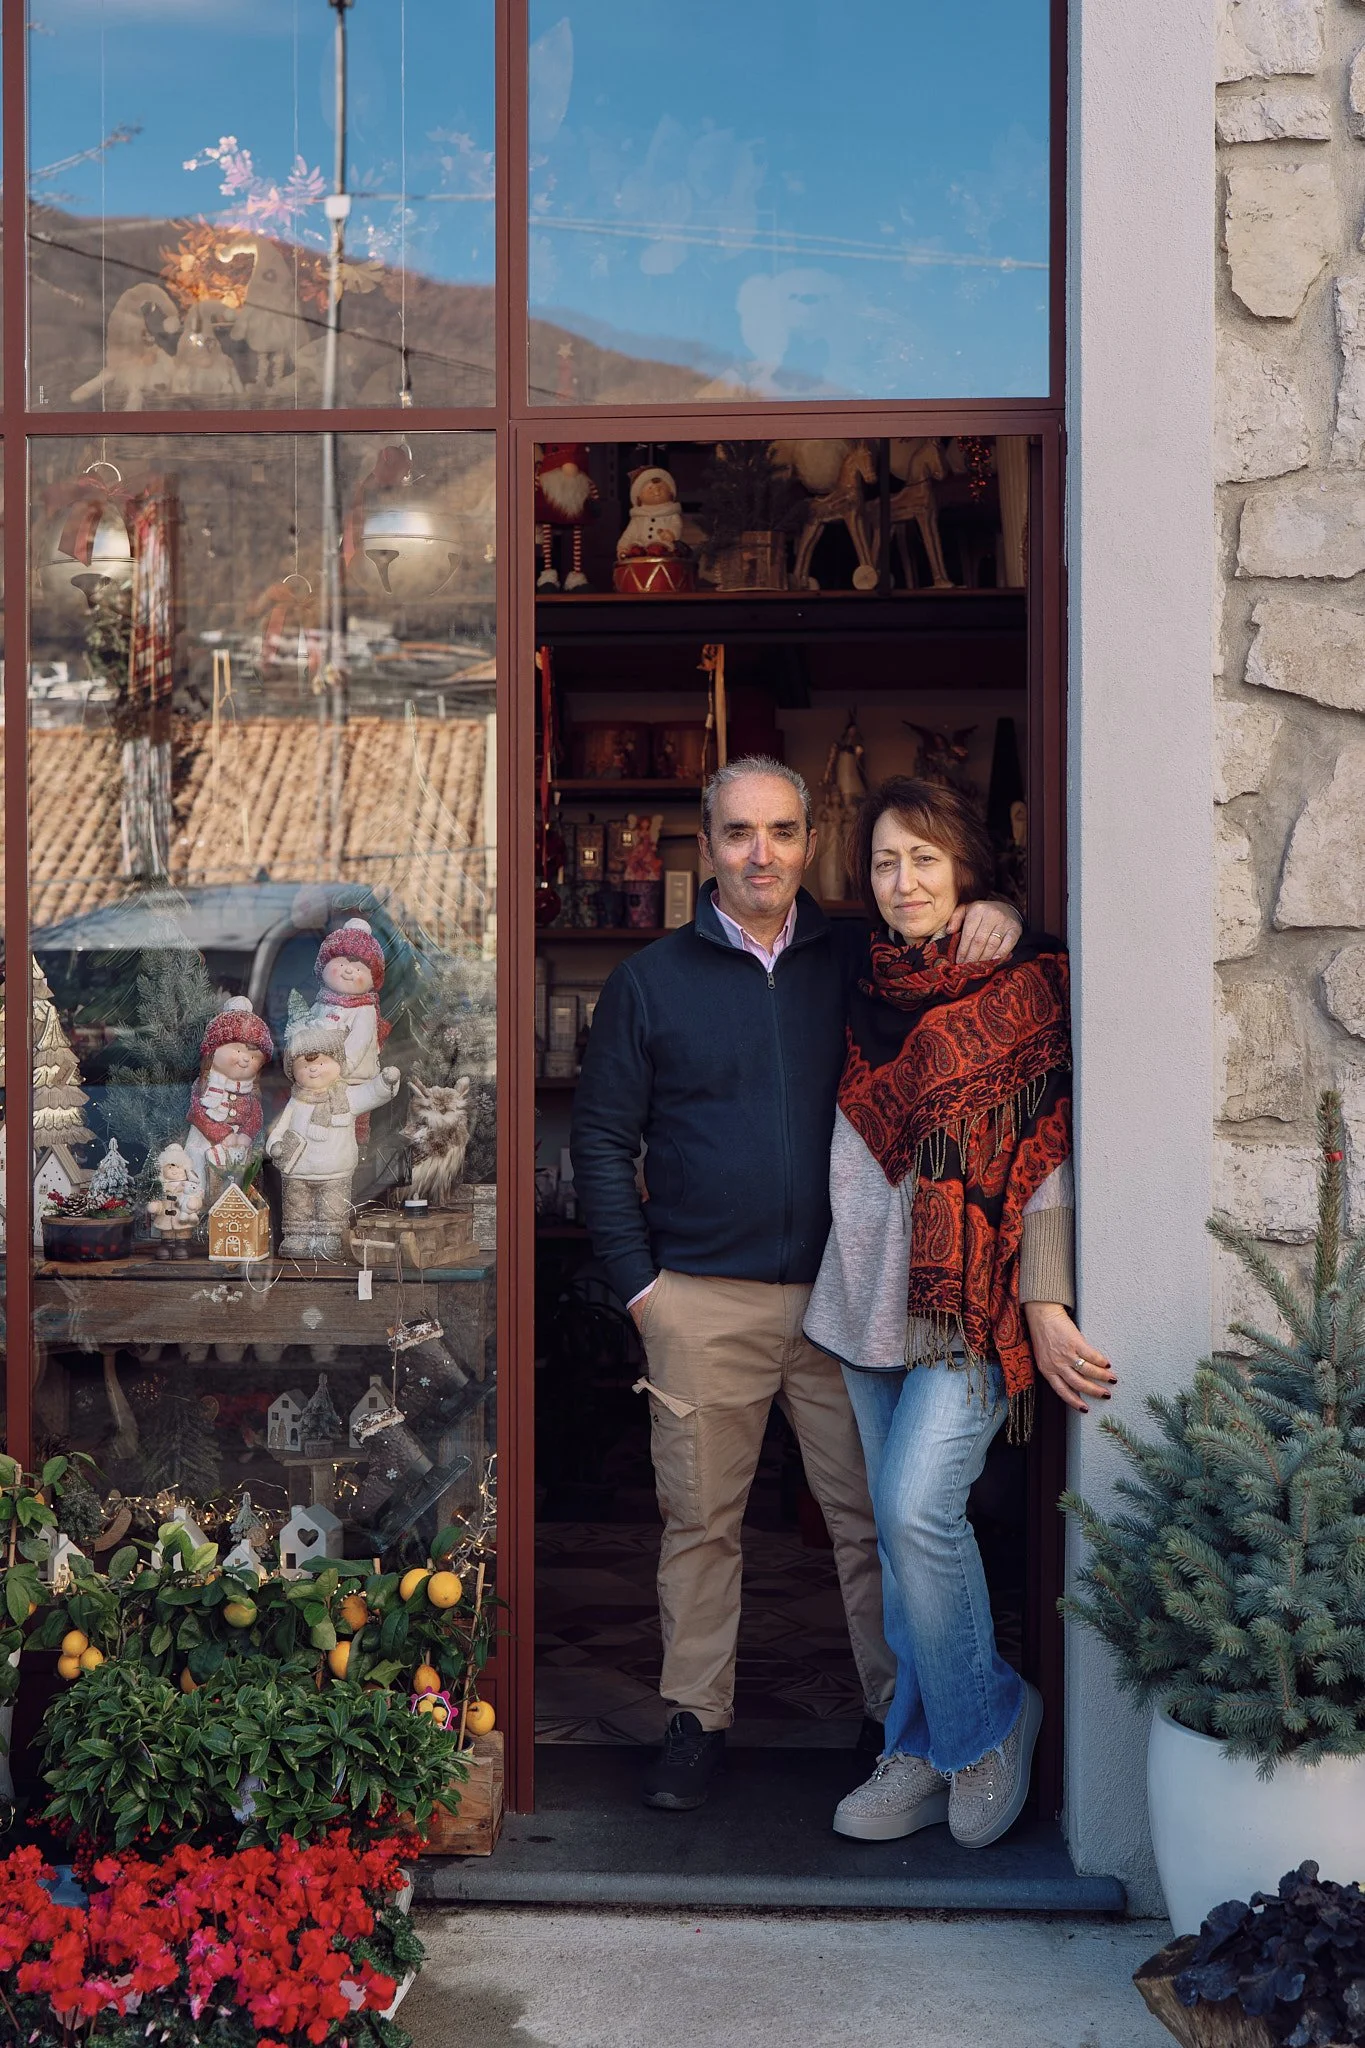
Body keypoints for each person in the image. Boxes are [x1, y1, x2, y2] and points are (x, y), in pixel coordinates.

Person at [570, 757, 1023, 1811]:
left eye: (780, 831)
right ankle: (695, 1720)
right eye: (738, 833)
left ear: (811, 841)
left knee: (871, 1520)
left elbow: (972, 952)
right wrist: (643, 1289)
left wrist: (1000, 907)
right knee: (701, 1522)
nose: (760, 853)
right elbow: (599, 1139)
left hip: (845, 1299)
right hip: (699, 1298)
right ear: (706, 840)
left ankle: (895, 1720)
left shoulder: (862, 955)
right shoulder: (651, 979)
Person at [803, 777, 1112, 1850]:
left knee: (916, 1510)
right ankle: (920, 1744)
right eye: (887, 862)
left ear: (966, 866)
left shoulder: (1025, 980)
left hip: (964, 1304)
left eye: (926, 858)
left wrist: (1048, 1300)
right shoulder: (858, 974)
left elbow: (1046, 1158)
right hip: (858, 1298)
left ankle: (989, 1725)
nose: (905, 880)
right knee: (895, 1545)